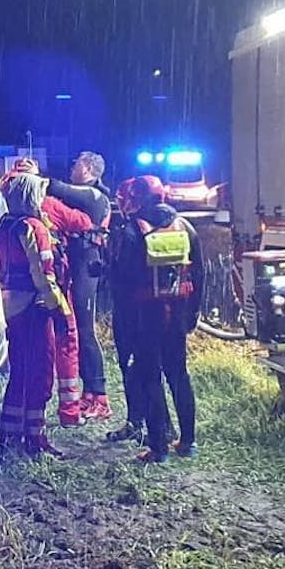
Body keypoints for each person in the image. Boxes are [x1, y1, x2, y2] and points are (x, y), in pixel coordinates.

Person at [111, 175, 203, 462]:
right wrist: (193, 313)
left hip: (145, 317)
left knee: (149, 377)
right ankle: (188, 442)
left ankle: (158, 448)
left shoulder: (132, 231)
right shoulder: (185, 227)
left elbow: (122, 283)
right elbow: (199, 274)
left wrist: (125, 328)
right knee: (179, 375)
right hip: (177, 313)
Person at [0, 172, 71, 456]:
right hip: (34, 308)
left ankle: (10, 436)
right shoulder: (33, 227)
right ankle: (35, 440)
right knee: (39, 373)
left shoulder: (5, 225)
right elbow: (43, 276)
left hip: (11, 305)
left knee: (20, 371)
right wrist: (59, 309)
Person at [13, 158, 90, 427]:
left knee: (23, 364)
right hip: (51, 294)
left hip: (15, 300)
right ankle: (68, 412)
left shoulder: (5, 215)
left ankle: (17, 429)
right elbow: (83, 222)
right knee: (63, 346)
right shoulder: (45, 211)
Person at [46, 151, 114, 422]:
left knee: (85, 331)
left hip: (87, 265)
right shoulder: (86, 196)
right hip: (79, 265)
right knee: (79, 329)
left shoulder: (94, 196)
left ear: (87, 169)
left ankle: (99, 396)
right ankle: (89, 394)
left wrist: (34, 175)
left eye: (76, 164)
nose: (72, 168)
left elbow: (57, 187)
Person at [103, 177, 145, 443]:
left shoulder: (130, 231)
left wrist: (105, 270)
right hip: (161, 313)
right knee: (159, 371)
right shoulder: (177, 225)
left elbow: (124, 274)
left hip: (131, 312)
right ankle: (168, 429)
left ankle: (139, 424)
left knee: (133, 368)